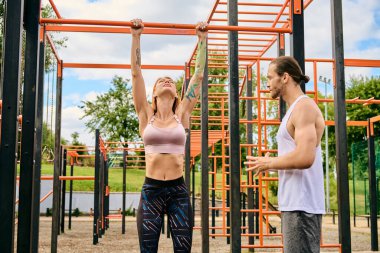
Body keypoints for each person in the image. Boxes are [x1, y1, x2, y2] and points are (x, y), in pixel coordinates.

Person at [130, 18, 207, 253]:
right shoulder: (145, 115)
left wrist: (202, 40)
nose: (167, 81)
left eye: (171, 81)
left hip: (178, 191)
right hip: (151, 190)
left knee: (183, 250)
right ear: (154, 93)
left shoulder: (182, 113)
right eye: (161, 81)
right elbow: (136, 73)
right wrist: (136, 36)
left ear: (176, 93)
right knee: (148, 250)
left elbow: (199, 75)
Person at [245, 56, 325, 253]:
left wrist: (269, 162)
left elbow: (305, 157)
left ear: (285, 77)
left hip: (302, 205)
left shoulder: (304, 107)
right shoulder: (295, 109)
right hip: (295, 205)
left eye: (270, 77)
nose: (268, 83)